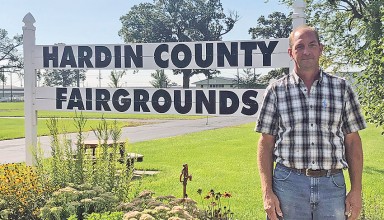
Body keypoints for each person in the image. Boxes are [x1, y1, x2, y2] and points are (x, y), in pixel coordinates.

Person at [255, 25, 366, 220]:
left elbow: (353, 142)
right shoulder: (276, 91)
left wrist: (356, 191)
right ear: (291, 52)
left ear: (320, 49)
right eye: (299, 46)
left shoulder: (341, 88)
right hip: (288, 184)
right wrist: (267, 192)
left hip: (332, 186)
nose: (306, 51)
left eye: (312, 45)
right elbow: (266, 143)